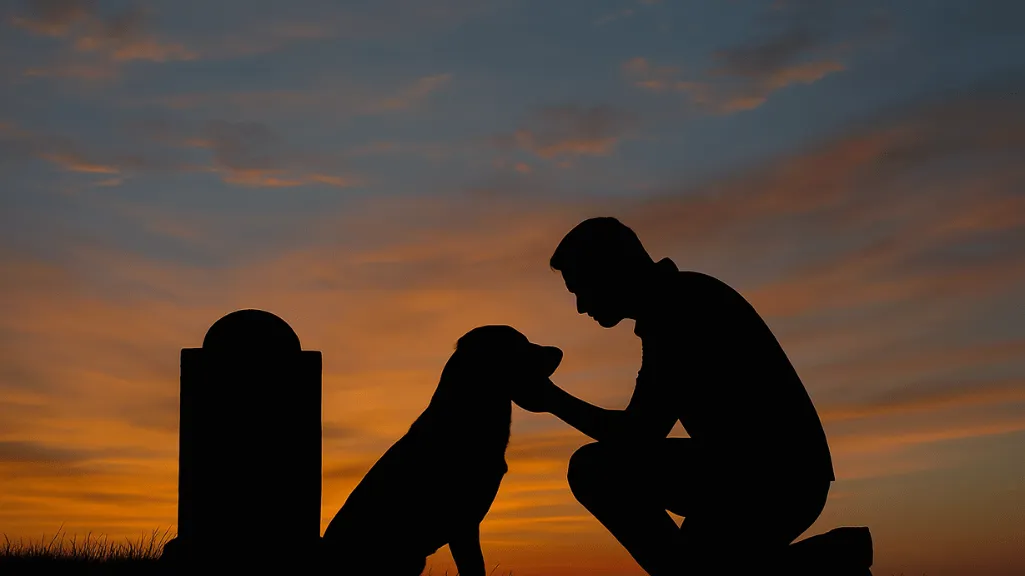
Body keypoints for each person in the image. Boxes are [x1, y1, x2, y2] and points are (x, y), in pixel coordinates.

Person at [514, 217, 834, 575]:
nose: (580, 306)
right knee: (700, 557)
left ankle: (827, 560)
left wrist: (552, 400)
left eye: (580, 289)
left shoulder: (678, 310)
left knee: (594, 469)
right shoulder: (678, 301)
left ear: (608, 271)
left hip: (772, 480)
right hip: (762, 473)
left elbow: (638, 434)